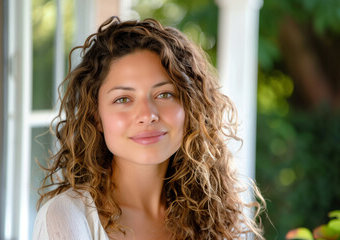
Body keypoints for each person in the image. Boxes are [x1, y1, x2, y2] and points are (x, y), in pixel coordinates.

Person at [32, 16, 265, 240]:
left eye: (164, 94)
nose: (147, 115)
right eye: (123, 99)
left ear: (191, 108)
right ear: (96, 118)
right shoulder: (67, 216)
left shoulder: (217, 214)